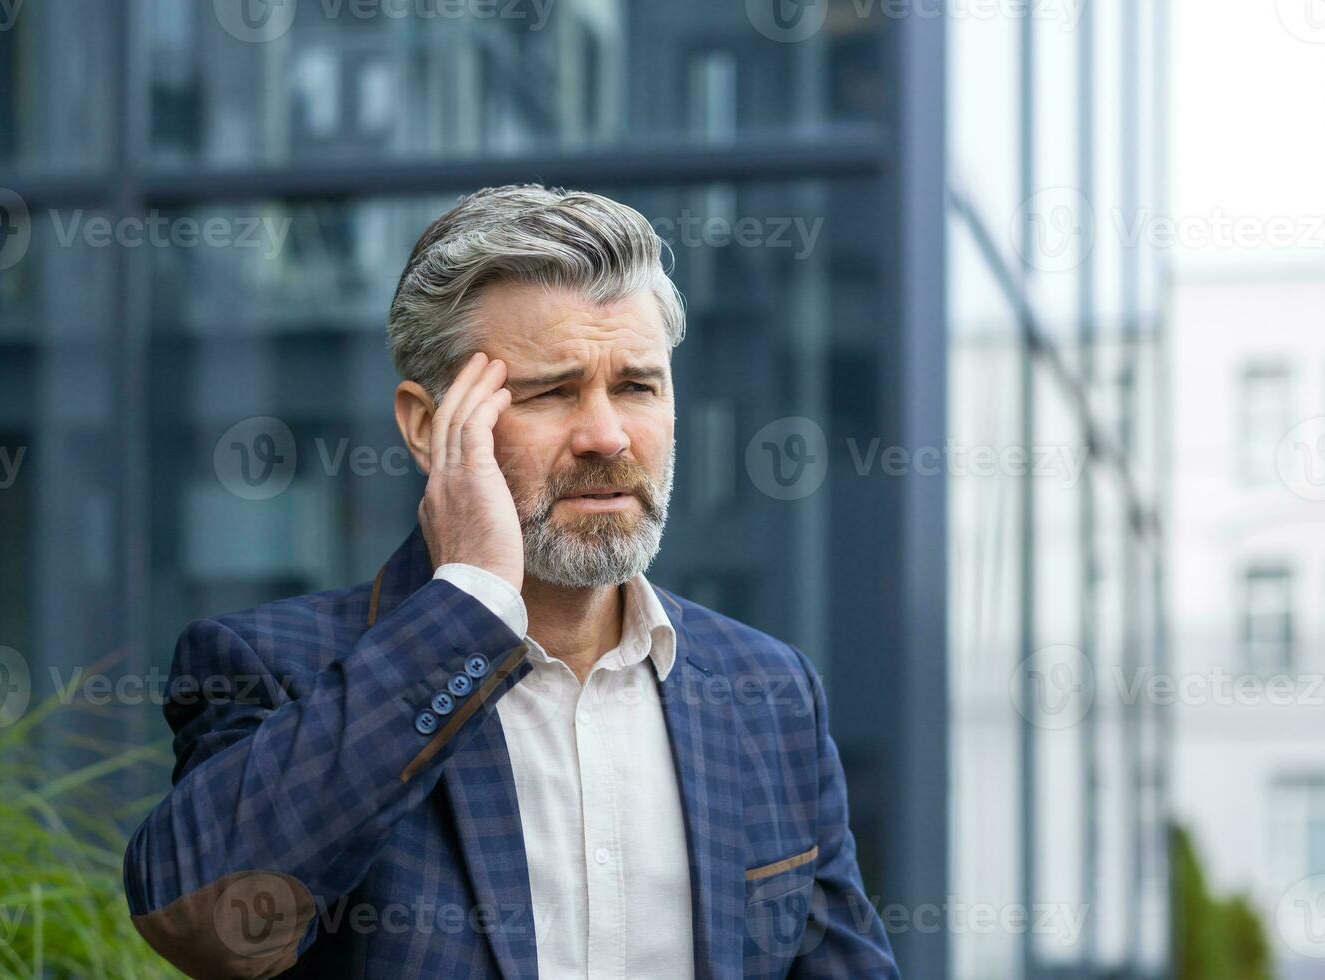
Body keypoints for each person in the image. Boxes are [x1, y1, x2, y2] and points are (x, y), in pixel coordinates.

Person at [122, 183, 900, 978]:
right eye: (551, 392)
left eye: (636, 386)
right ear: (430, 427)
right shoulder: (270, 668)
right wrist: (467, 609)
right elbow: (205, 923)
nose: (605, 435)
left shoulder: (769, 691)